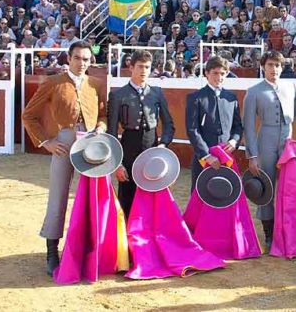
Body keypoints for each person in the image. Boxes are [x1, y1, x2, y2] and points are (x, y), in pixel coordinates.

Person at [22, 41, 107, 276]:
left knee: (91, 197)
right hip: (64, 142)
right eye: (78, 58)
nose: (82, 63)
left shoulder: (96, 84)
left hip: (90, 143)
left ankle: (87, 250)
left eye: (86, 59)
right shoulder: (53, 82)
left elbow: (103, 115)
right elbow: (29, 115)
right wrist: (45, 141)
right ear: (68, 59)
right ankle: (52, 252)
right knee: (58, 195)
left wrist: (100, 127)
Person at [243, 50, 296, 250]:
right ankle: (268, 232)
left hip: (288, 141)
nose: (274, 69)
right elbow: (248, 126)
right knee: (267, 187)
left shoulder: (291, 87)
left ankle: (290, 228)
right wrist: (253, 155)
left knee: (290, 188)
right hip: (265, 139)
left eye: (277, 65)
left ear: (282, 67)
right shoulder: (254, 91)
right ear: (263, 67)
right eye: (270, 65)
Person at [107, 50, 175, 217]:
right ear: (131, 67)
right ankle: (127, 239)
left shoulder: (157, 92)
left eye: (147, 67)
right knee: (127, 194)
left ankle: (149, 237)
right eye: (140, 67)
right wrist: (117, 163)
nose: (144, 71)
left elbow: (169, 124)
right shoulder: (118, 94)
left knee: (152, 193)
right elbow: (112, 131)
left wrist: (163, 144)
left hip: (152, 145)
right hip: (129, 146)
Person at [185, 56, 243, 189]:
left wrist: (234, 141)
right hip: (204, 157)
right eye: (215, 73)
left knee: (225, 195)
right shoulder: (195, 98)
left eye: (222, 73)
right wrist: (206, 155)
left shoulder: (231, 98)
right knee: (201, 196)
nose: (219, 77)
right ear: (207, 73)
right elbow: (192, 130)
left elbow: (237, 127)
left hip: (226, 157)